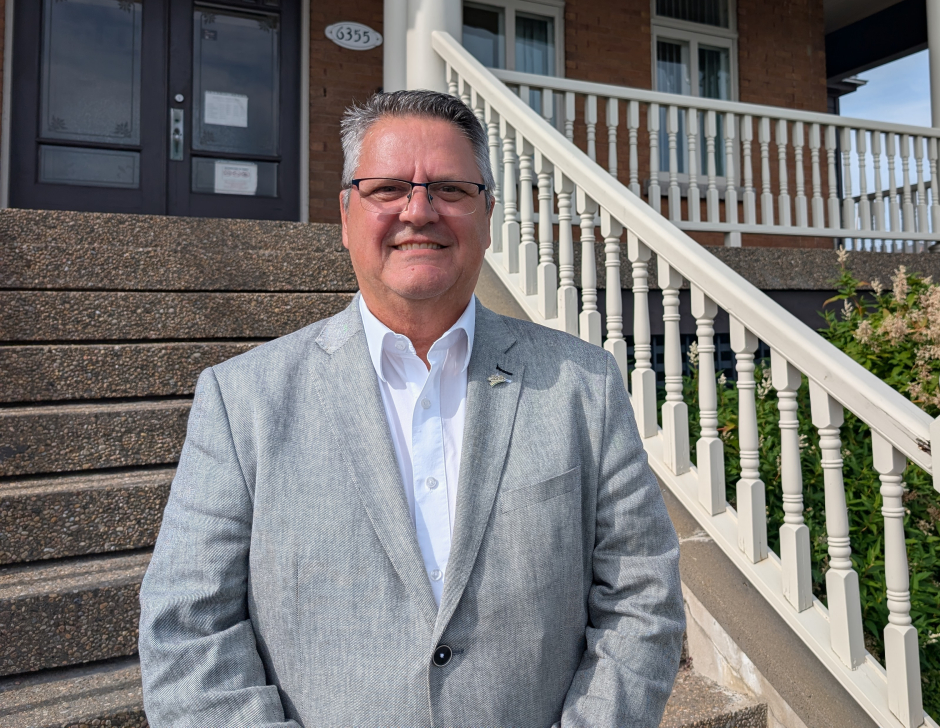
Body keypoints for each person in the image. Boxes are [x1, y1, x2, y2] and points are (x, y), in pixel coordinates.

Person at [139, 90, 685, 727]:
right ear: (346, 215)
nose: (419, 211)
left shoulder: (583, 386)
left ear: (487, 215)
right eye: (387, 188)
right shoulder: (243, 401)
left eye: (450, 189)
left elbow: (642, 597)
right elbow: (188, 632)